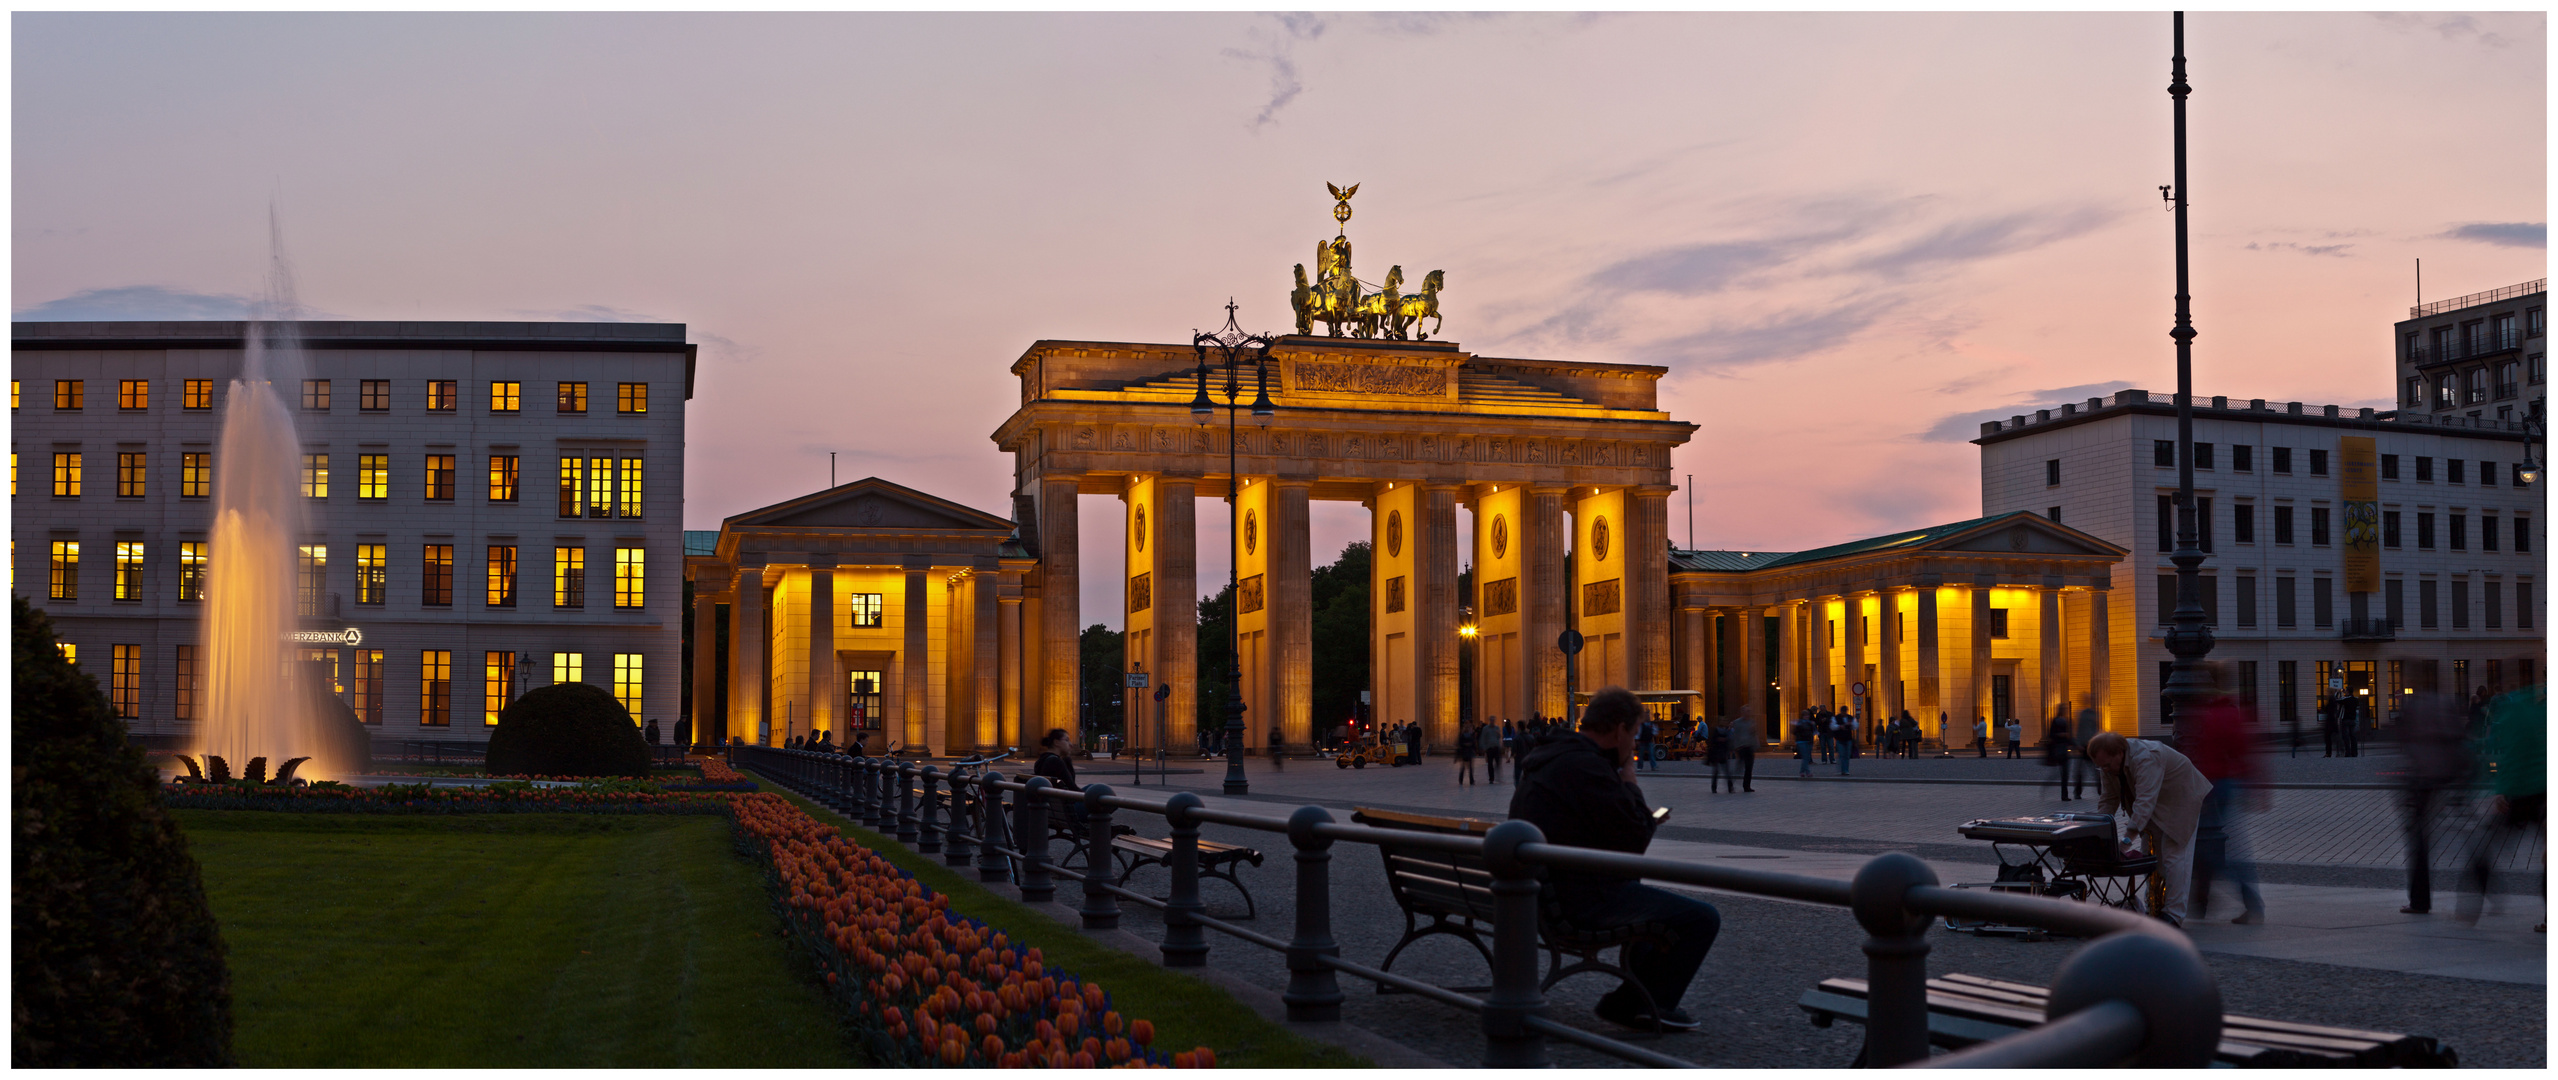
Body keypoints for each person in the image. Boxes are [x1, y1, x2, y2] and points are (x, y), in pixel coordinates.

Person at [1510, 687, 1719, 1032]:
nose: (1635, 743)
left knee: (1646, 901)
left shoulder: (1551, 757)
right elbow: (1636, 841)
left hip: (1537, 893)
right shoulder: (1587, 767)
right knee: (1701, 918)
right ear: (1620, 730)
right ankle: (1650, 1003)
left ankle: (1635, 999)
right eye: (1635, 733)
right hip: (1575, 903)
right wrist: (1628, 774)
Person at [2086, 730, 2212, 926]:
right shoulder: (2108, 765)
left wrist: (2126, 842)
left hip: (2180, 800)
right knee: (2150, 857)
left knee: (2174, 858)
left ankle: (2173, 915)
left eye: (2107, 765)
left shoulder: (2147, 757)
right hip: (2156, 803)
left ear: (2119, 753)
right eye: (2100, 767)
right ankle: (2154, 907)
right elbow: (2108, 799)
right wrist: (2097, 829)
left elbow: (2145, 802)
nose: (2105, 770)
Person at [2460, 685, 2544, 930]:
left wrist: (2501, 791)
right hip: (2545, 795)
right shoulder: (2543, 709)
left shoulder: (2514, 711)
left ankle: (2471, 907)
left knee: (2482, 847)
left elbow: (2512, 755)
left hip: (2520, 795)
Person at [2185, 693, 2266, 924]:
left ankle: (2208, 899)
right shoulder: (2232, 714)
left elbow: (2204, 755)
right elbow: (2244, 751)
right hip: (2229, 784)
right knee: (2222, 845)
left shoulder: (2208, 716)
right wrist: (2255, 786)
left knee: (2216, 848)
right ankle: (2205, 900)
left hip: (2212, 786)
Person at [2396, 691, 2473, 914]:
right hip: (2446, 777)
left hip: (2423, 782)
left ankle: (2420, 901)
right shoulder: (2443, 701)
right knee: (2459, 837)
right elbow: (2459, 736)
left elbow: (2408, 744)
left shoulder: (2416, 707)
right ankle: (2478, 884)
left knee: (2419, 843)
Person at [1033, 727, 1087, 822]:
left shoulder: (1042, 760)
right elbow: (1073, 789)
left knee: (1093, 788)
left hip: (1055, 809)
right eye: (1066, 740)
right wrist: (1068, 760)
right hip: (1068, 811)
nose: (1070, 745)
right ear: (1056, 742)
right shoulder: (1055, 762)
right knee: (1105, 796)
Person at [2043, 706, 2082, 801]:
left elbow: (2069, 737)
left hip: (2063, 750)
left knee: (2064, 773)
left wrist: (2076, 746)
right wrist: (2062, 735)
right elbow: (2051, 735)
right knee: (2062, 773)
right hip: (2059, 750)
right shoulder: (2056, 721)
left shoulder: (2065, 721)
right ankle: (2061, 793)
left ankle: (2064, 795)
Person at [1728, 709, 1758, 792]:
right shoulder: (1737, 722)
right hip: (1741, 747)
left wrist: (1756, 745)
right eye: (1746, 711)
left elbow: (1754, 734)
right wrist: (1735, 746)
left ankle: (1747, 786)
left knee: (1749, 768)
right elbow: (1734, 734)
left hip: (1750, 747)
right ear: (1742, 712)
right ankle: (1730, 784)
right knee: (1739, 768)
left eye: (1749, 711)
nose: (1748, 713)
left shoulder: (1751, 722)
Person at [1705, 717, 1732, 792]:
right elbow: (1712, 740)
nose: (1723, 722)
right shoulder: (1716, 730)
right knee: (1717, 771)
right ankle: (1714, 788)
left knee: (1726, 771)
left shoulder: (1726, 730)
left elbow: (1728, 741)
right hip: (1716, 753)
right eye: (1722, 720)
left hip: (1723, 752)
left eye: (1725, 720)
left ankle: (1730, 787)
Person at [1794, 710, 1817, 777]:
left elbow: (1814, 731)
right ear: (1803, 716)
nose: (1807, 716)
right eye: (1805, 715)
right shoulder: (1800, 723)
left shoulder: (1810, 723)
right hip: (1801, 741)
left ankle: (1801, 772)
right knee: (1805, 757)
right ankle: (1808, 772)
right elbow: (1795, 732)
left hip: (1808, 741)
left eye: (1807, 715)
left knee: (1806, 757)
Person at [1836, 710, 1858, 776]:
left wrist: (1851, 724)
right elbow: (1833, 726)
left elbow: (1855, 726)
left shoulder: (1850, 718)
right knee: (1842, 755)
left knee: (1846, 755)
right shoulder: (1837, 718)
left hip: (1848, 739)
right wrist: (1840, 726)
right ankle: (1844, 770)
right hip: (1840, 739)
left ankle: (1845, 770)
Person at [1484, 719, 1505, 783]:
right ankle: (1491, 778)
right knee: (1490, 764)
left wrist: (1498, 734)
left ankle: (1495, 775)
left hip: (1496, 748)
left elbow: (1499, 737)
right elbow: (1484, 738)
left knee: (1498, 762)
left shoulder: (1497, 728)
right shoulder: (1487, 729)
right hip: (1489, 748)